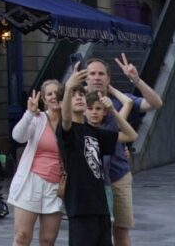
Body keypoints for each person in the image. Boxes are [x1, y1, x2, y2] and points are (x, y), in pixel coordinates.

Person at [82, 55, 162, 246]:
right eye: (92, 73)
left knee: (120, 229)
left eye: (101, 73)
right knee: (92, 232)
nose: (97, 77)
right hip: (89, 179)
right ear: (86, 77)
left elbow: (155, 103)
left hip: (117, 175)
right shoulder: (78, 102)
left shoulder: (120, 100)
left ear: (108, 78)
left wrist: (135, 79)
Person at [59, 64, 138, 246]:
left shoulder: (95, 132)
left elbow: (131, 135)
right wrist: (69, 87)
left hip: (101, 203)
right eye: (73, 96)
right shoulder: (68, 131)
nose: (78, 98)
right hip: (80, 205)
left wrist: (113, 112)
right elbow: (64, 120)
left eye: (81, 95)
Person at [9, 78, 65, 246]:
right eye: (49, 94)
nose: (54, 97)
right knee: (22, 236)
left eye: (57, 93)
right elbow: (18, 136)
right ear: (44, 99)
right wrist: (29, 114)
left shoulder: (70, 121)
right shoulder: (38, 118)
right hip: (31, 182)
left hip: (56, 186)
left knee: (48, 240)